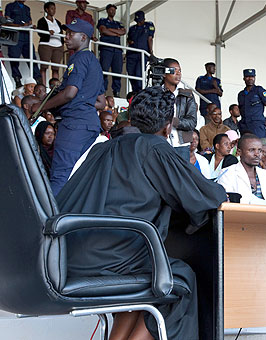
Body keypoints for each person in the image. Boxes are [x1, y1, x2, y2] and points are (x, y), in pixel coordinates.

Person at [56, 86, 227, 340]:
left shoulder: (100, 149)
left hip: (67, 255)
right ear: (168, 127)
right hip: (111, 260)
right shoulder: (154, 148)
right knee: (181, 279)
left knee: (148, 279)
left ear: (132, 119)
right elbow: (203, 196)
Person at [31, 18, 106, 196]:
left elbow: (70, 93)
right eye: (66, 32)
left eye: (71, 33)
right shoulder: (95, 62)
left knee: (59, 175)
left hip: (74, 124)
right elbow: (101, 102)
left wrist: (41, 107)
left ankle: (48, 221)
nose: (66, 36)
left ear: (83, 38)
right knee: (75, 177)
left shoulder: (78, 59)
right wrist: (81, 101)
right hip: (90, 125)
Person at [218, 134, 266, 204]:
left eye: (260, 150)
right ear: (239, 152)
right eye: (252, 150)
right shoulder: (227, 174)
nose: (257, 154)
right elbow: (228, 206)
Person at [162, 58, 197, 152]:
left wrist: (173, 121)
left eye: (180, 70)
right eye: (174, 70)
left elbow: (192, 122)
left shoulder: (187, 94)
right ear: (164, 73)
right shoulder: (156, 93)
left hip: (182, 145)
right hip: (161, 143)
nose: (178, 74)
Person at [4, 0, 42, 87]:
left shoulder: (27, 8)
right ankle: (17, 80)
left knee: (32, 58)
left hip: (26, 36)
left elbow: (29, 21)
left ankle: (38, 80)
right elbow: (7, 22)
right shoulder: (10, 6)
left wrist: (31, 25)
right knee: (14, 58)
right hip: (15, 36)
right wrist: (20, 26)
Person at [97, 4, 126, 97]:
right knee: (104, 70)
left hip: (117, 50)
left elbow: (123, 31)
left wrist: (110, 30)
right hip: (106, 48)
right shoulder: (102, 21)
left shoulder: (118, 23)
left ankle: (116, 92)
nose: (113, 12)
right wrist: (116, 33)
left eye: (114, 10)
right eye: (111, 10)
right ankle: (103, 91)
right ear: (107, 11)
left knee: (117, 72)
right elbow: (103, 31)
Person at [237, 69, 266, 138]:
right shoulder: (241, 94)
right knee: (245, 146)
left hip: (257, 125)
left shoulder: (260, 90)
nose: (250, 79)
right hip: (244, 125)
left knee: (259, 146)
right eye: (247, 77)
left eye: (252, 77)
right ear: (244, 78)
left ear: (255, 78)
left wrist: (265, 122)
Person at [127, 10, 155, 92]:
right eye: (137, 21)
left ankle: (140, 92)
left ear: (144, 19)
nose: (139, 23)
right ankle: (134, 92)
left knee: (139, 74)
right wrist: (130, 41)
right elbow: (129, 39)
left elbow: (150, 38)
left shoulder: (149, 25)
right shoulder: (132, 28)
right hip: (131, 55)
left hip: (142, 55)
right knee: (131, 74)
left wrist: (151, 53)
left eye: (140, 21)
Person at [37, 2, 64, 86]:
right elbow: (40, 33)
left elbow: (61, 33)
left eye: (54, 8)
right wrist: (47, 32)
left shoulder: (58, 22)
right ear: (46, 9)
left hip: (58, 46)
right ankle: (44, 86)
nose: (54, 10)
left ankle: (55, 87)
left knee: (56, 68)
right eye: (52, 8)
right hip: (46, 45)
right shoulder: (42, 21)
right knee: (44, 67)